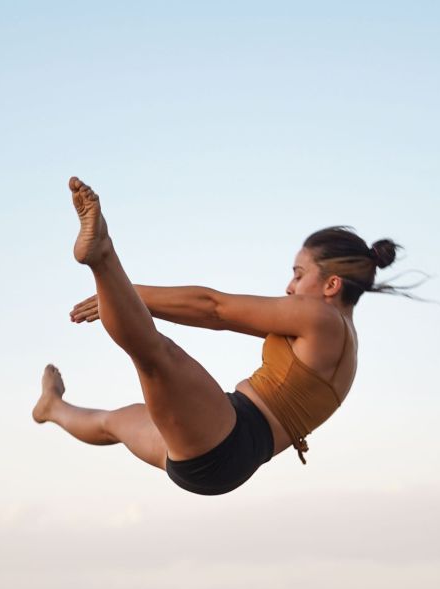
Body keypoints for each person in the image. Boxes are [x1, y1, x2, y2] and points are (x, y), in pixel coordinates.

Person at [32, 177, 400, 495]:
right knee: (112, 421)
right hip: (216, 458)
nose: (290, 286)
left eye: (299, 274)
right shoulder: (348, 349)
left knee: (157, 356)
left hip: (229, 435)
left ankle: (102, 255)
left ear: (331, 284)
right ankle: (52, 407)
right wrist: (123, 298)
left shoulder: (322, 317)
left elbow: (214, 308)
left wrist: (127, 291)